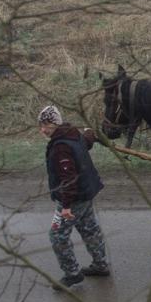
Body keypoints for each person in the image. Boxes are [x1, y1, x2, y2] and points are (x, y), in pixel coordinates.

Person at [39, 105, 110, 290]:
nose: (43, 129)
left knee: (57, 236)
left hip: (74, 198)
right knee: (90, 229)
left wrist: (66, 206)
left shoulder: (61, 146)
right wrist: (89, 132)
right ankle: (101, 264)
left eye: (46, 125)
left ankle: (72, 274)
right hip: (87, 194)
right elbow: (86, 142)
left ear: (54, 123)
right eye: (41, 125)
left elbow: (68, 178)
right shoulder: (73, 134)